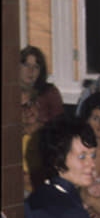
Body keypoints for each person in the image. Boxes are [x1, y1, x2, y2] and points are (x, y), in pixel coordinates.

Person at [20, 45, 63, 192]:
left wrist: (39, 126)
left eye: (36, 66)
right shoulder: (7, 92)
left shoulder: (49, 92)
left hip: (45, 147)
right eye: (26, 65)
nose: (30, 71)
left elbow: (61, 126)